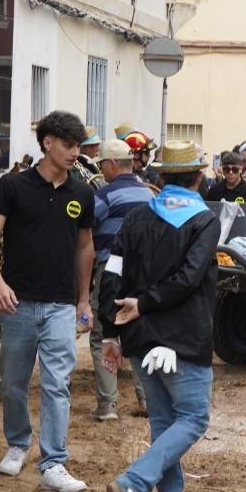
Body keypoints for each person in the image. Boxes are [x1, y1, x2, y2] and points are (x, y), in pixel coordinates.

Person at [100, 141, 220, 492]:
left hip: (137, 335)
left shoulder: (134, 218)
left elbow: (111, 274)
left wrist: (111, 332)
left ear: (161, 177)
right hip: (184, 337)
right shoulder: (204, 219)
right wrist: (148, 302)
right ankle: (133, 485)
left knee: (166, 427)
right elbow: (189, 279)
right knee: (194, 419)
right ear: (199, 177)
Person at [0, 111, 95, 492]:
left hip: (62, 305)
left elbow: (86, 247)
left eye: (78, 146)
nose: (75, 153)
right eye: (68, 145)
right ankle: (18, 442)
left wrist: (84, 300)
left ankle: (54, 461)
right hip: (17, 303)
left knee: (57, 383)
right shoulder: (12, 187)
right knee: (14, 382)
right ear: (47, 142)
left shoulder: (82, 193)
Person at [89, 139, 153, 421]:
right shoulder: (149, 194)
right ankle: (149, 400)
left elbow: (85, 227)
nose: (101, 170)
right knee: (138, 331)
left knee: (102, 332)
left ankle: (107, 405)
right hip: (143, 272)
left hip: (110, 268)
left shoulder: (104, 195)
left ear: (112, 164)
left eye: (102, 164)